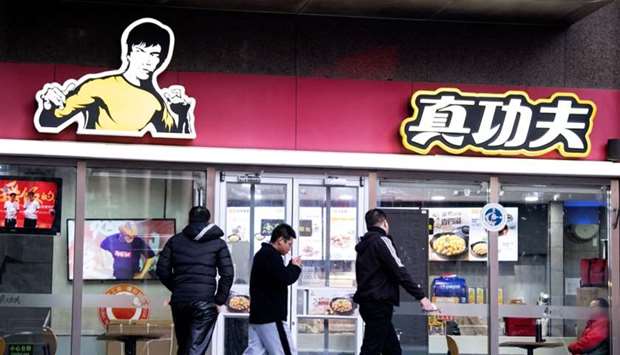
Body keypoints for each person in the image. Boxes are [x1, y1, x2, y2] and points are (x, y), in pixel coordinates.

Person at [37, 18, 192, 135]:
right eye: (140, 51)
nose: (147, 60)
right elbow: (49, 122)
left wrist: (182, 111)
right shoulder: (97, 86)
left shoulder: (157, 102)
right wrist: (49, 104)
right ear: (128, 52)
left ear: (160, 60)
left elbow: (176, 139)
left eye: (154, 54)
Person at [354, 208, 438, 355]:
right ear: (384, 223)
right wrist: (422, 297)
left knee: (392, 350)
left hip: (368, 304)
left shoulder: (364, 245)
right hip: (378, 305)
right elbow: (400, 271)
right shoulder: (382, 241)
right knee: (370, 349)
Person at [157, 206, 234, 355]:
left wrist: (178, 288)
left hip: (180, 303)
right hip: (204, 303)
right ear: (207, 221)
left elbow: (161, 270)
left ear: (189, 219)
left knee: (185, 346)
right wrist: (219, 299)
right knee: (194, 349)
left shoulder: (175, 241)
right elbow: (228, 274)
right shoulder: (218, 244)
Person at [243, 224, 302, 355]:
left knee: (255, 351)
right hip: (272, 316)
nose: (289, 249)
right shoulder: (272, 256)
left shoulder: (262, 254)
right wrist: (295, 267)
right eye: (289, 244)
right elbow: (285, 278)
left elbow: (276, 277)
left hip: (258, 316)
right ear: (280, 240)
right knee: (285, 351)